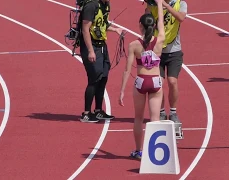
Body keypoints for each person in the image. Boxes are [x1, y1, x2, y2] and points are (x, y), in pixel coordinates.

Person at [118, 0, 165, 159]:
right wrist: (159, 4)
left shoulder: (134, 45)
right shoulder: (160, 40)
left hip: (141, 81)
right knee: (155, 119)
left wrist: (122, 91)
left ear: (140, 26)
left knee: (138, 118)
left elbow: (126, 69)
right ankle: (156, 154)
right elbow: (161, 22)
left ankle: (138, 151)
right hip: (156, 81)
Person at [145, 0, 187, 132]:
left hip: (174, 51)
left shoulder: (181, 4)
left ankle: (173, 112)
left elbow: (181, 18)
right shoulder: (152, 4)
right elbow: (146, 22)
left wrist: (165, 6)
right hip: (157, 50)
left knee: (172, 81)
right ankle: (161, 111)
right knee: (159, 83)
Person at [79, 0, 122, 122]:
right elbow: (85, 29)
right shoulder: (91, 6)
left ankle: (98, 111)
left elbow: (102, 23)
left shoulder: (105, 5)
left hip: (102, 45)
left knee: (103, 77)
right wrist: (91, 51)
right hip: (91, 46)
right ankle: (86, 113)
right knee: (94, 78)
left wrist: (115, 29)